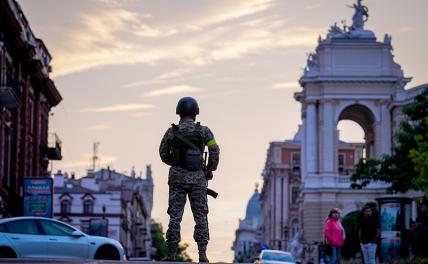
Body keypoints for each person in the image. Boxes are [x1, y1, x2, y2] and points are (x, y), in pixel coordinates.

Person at [159, 97, 220, 263]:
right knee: (200, 215)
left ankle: (171, 254)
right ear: (195, 112)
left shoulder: (172, 131)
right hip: (198, 180)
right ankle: (202, 255)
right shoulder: (204, 131)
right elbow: (214, 148)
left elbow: (163, 153)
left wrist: (177, 163)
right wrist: (209, 169)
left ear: (179, 111)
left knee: (175, 216)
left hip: (177, 179)